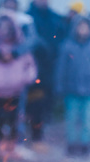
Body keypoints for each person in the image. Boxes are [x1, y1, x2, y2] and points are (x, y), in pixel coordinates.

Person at [0, 13, 37, 158]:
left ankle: (17, 146)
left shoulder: (21, 49)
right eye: (1, 27)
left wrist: (25, 79)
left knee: (17, 119)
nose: (4, 31)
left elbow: (31, 67)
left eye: (7, 28)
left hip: (17, 91)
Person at [56, 16, 90, 156]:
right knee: (72, 118)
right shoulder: (67, 46)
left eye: (86, 27)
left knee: (88, 119)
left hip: (89, 91)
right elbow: (61, 68)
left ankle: (85, 144)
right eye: (80, 27)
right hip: (71, 90)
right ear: (75, 28)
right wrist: (60, 85)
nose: (83, 30)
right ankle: (72, 144)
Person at [27, 0, 65, 143]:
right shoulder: (28, 17)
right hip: (32, 67)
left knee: (46, 103)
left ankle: (40, 134)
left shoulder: (55, 18)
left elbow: (60, 39)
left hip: (51, 68)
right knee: (33, 103)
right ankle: (33, 135)